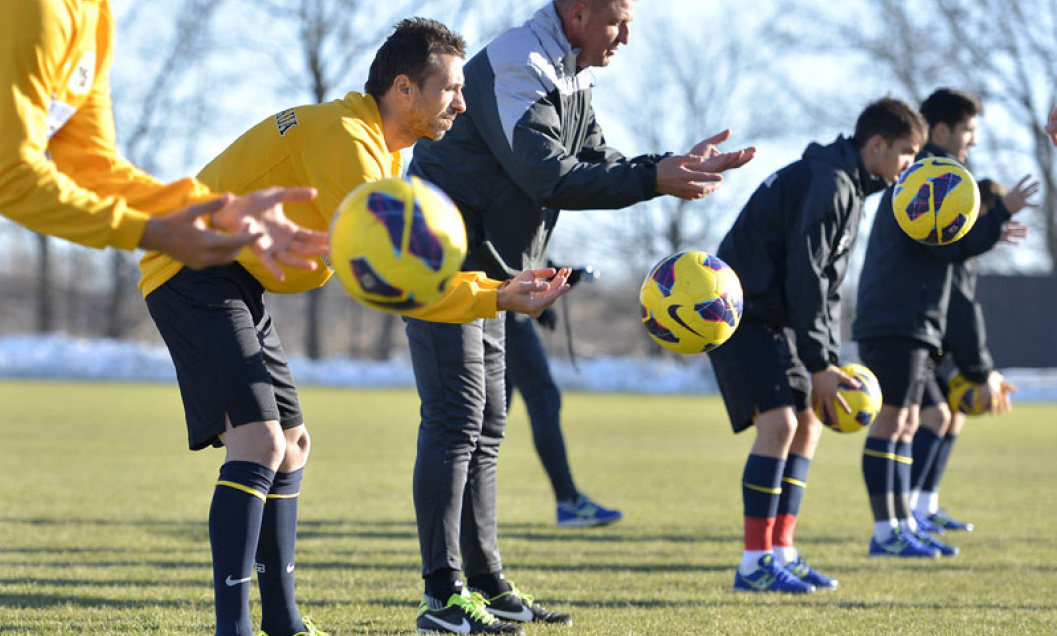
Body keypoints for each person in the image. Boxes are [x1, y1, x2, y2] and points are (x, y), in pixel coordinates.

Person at [141, 19, 570, 636]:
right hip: (190, 269)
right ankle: (232, 628)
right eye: (450, 88)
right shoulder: (348, 142)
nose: (462, 101)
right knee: (261, 443)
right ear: (404, 88)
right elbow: (402, 281)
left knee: (293, 446)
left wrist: (494, 292)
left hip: (231, 279)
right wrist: (497, 295)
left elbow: (396, 271)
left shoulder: (373, 147)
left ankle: (283, 621)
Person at [404, 0, 755, 632]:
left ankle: (485, 583)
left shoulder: (570, 71)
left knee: (486, 427)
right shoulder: (520, 62)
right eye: (617, 21)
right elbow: (548, 176)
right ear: (575, 13)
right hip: (439, 258)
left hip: (493, 272)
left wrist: (669, 166)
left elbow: (595, 159)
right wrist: (656, 179)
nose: (626, 36)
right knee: (456, 422)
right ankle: (443, 595)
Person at [708, 97, 926, 594]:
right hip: (742, 315)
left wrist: (829, 359)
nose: (908, 167)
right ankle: (754, 562)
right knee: (782, 424)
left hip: (775, 319)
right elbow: (808, 280)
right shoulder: (828, 184)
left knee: (808, 424)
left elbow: (824, 290)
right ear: (877, 144)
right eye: (907, 154)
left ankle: (783, 552)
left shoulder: (846, 183)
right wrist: (821, 363)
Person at [0, 0, 328, 279]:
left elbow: (93, 169)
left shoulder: (94, 17)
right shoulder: (34, 10)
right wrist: (150, 233)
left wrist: (217, 210)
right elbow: (9, 175)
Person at [852, 88, 1033, 560]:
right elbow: (947, 246)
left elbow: (950, 249)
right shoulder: (933, 176)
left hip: (910, 320)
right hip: (898, 319)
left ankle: (903, 522)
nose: (971, 141)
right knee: (896, 422)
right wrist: (996, 222)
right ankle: (889, 529)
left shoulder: (938, 174)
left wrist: (989, 229)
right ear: (942, 131)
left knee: (912, 419)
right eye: (967, 131)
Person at [910, 178, 1030, 534]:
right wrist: (982, 371)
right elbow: (960, 309)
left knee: (954, 415)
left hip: (941, 346)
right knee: (936, 416)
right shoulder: (952, 244)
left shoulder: (970, 251)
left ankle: (924, 505)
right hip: (916, 339)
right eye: (993, 220)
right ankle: (906, 511)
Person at [505, 266, 622, 528]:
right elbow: (503, 252)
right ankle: (568, 502)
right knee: (541, 398)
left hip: (495, 306)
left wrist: (557, 273)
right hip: (502, 310)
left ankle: (460, 506)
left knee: (492, 411)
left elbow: (512, 249)